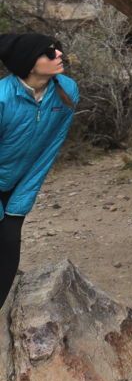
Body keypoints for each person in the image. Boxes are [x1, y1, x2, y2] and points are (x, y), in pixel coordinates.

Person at [0, 33, 78, 309]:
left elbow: (49, 149)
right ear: (28, 63)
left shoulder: (67, 90)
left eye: (58, 49)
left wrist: (20, 199)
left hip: (18, 182)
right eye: (49, 52)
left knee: (9, 242)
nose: (59, 55)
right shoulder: (3, 98)